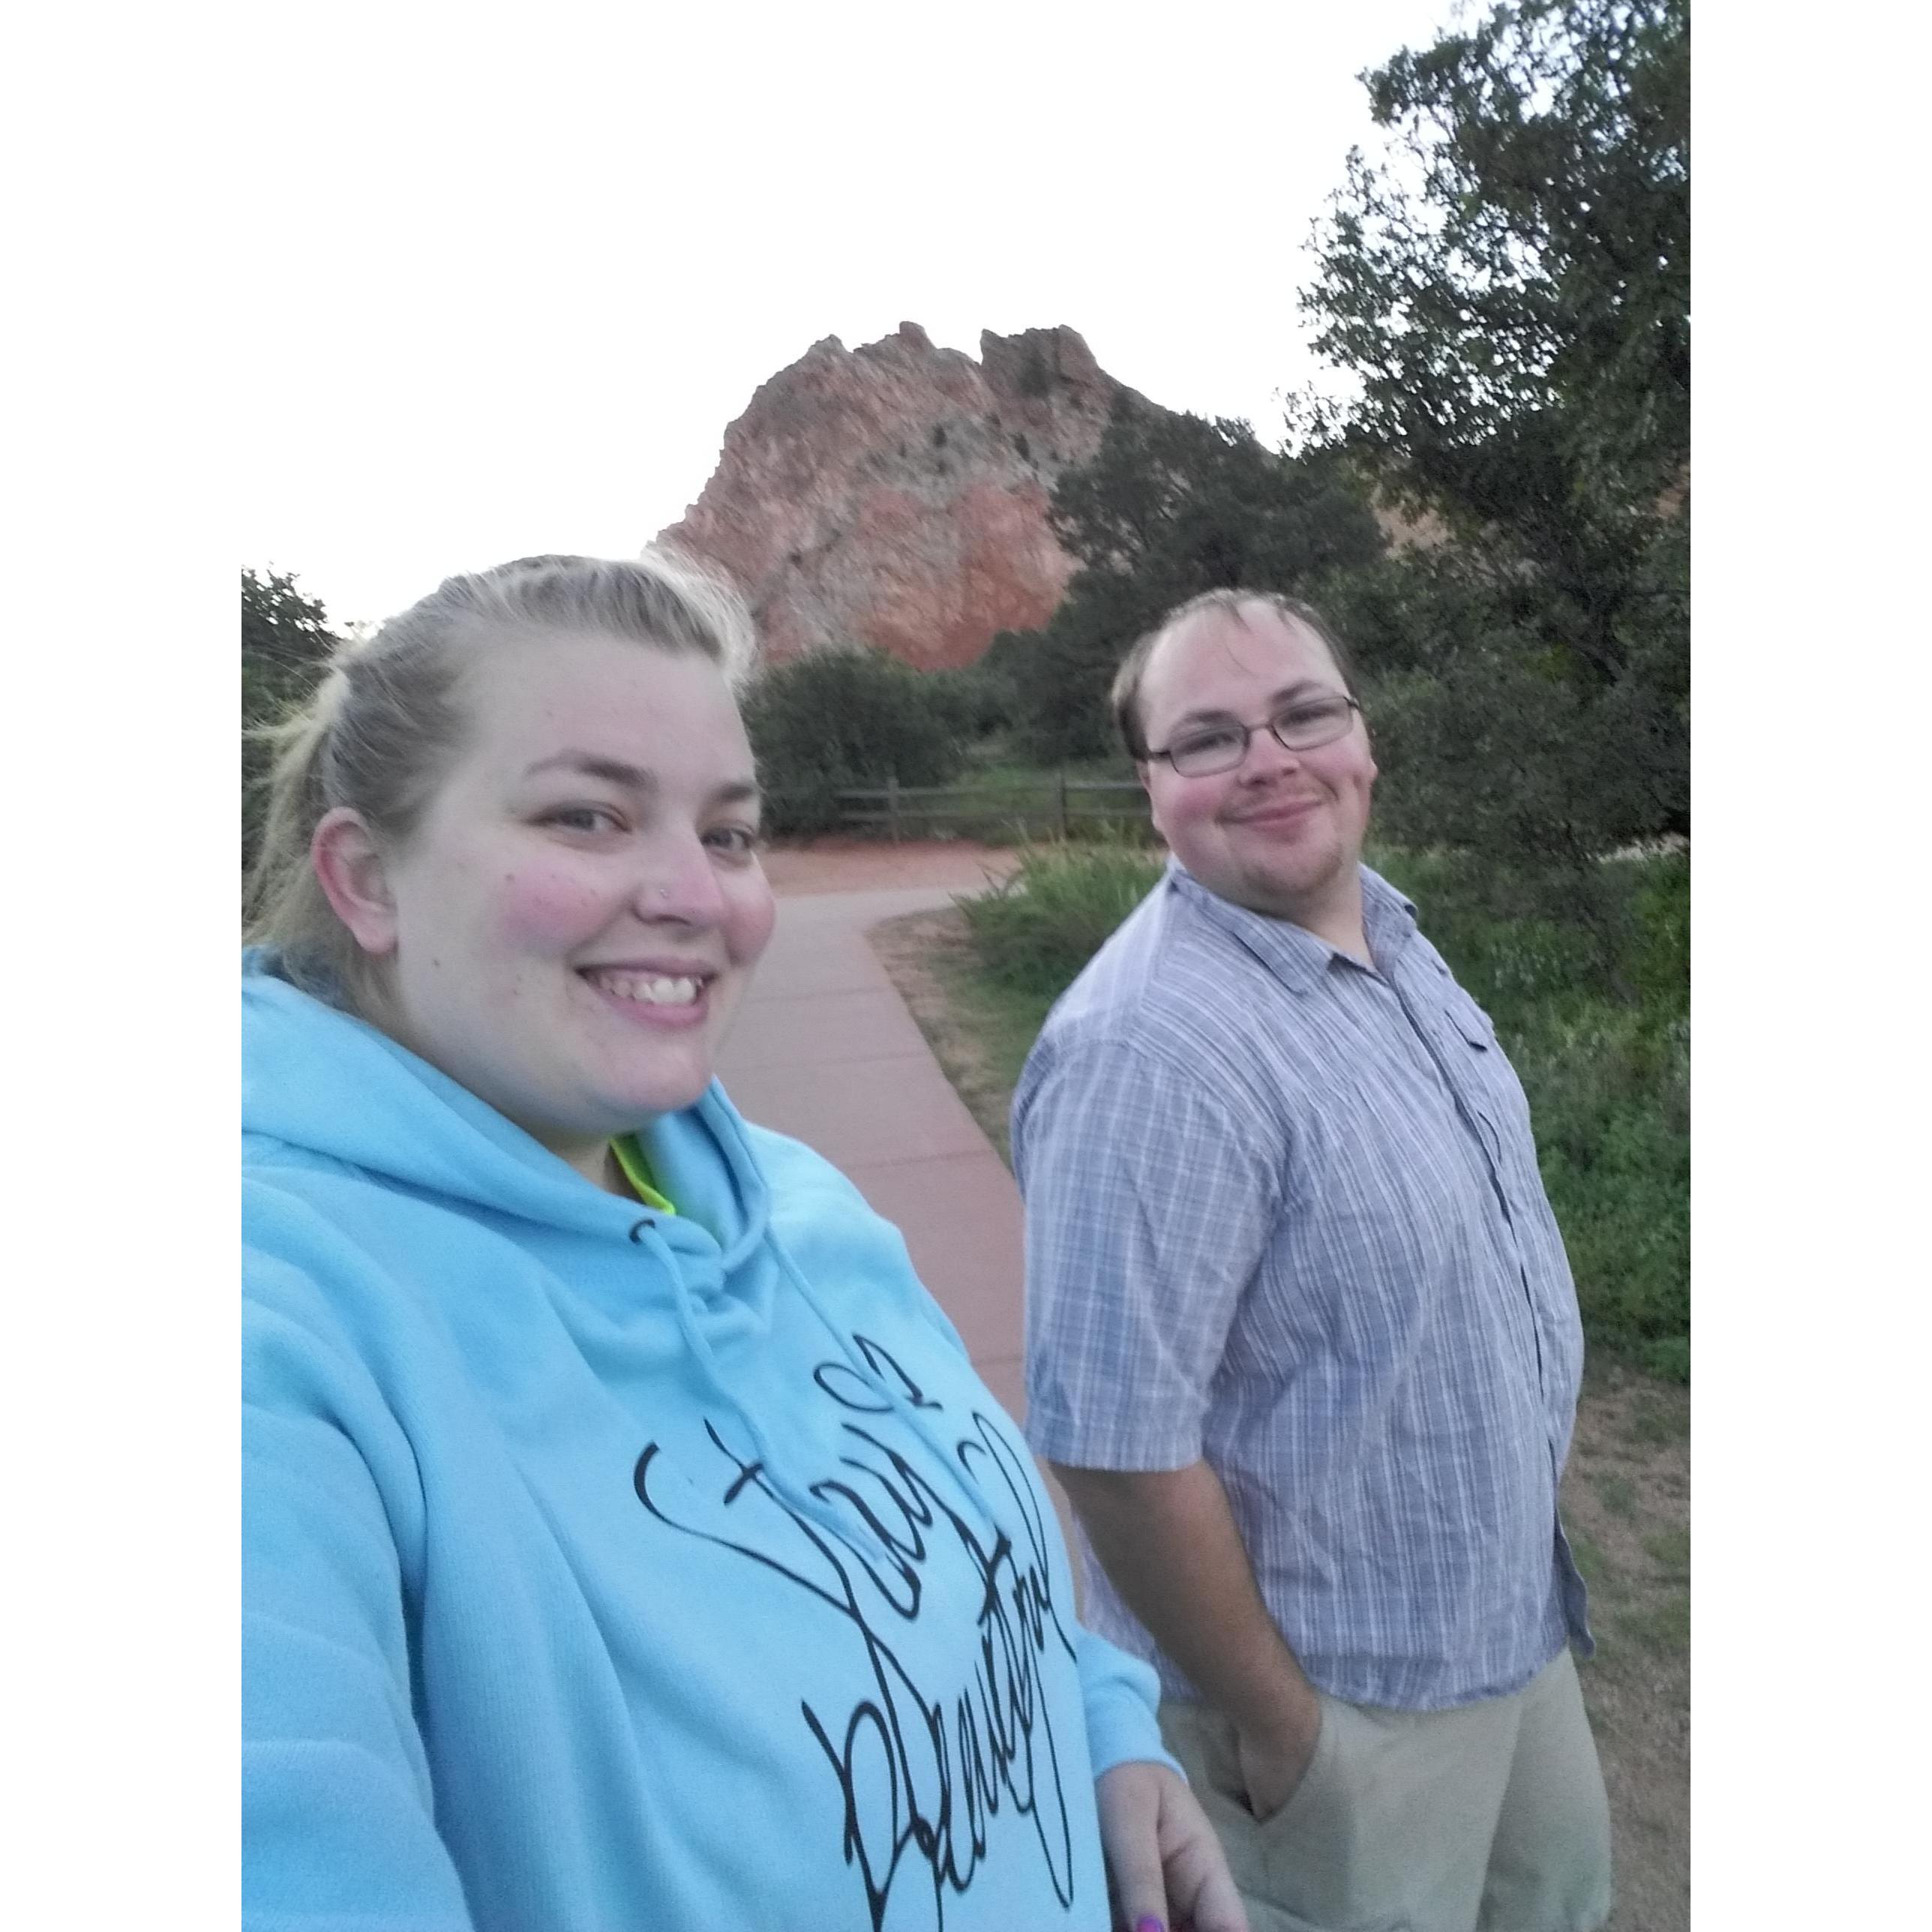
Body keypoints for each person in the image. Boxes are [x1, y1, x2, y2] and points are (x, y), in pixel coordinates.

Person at [242, 550, 1246, 1932]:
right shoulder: (267, 1328)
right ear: (366, 878)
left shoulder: (799, 1205)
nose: (696, 897)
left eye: (727, 832)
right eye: (589, 816)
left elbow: (988, 1564)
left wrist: (1100, 1721)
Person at [1012, 589, 1613, 1932]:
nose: (1271, 759)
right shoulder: (1147, 1052)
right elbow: (1115, 1448)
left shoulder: (1392, 940)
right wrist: (1281, 1727)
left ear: (1362, 735)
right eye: (1210, 738)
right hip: (1335, 1705)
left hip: (1511, 1632)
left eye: (1304, 713)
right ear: (1153, 789)